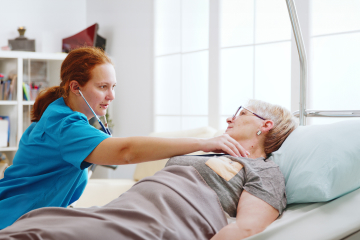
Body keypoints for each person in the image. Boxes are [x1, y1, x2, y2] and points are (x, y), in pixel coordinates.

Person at [0, 47, 247, 230]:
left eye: (113, 86)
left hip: (31, 218)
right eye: (103, 87)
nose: (112, 96)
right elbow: (126, 151)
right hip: (12, 219)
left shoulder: (61, 112)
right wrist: (205, 143)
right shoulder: (65, 125)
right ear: (76, 87)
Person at [0, 99, 298, 240]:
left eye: (241, 113)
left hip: (161, 223)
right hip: (127, 208)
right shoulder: (208, 149)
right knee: (36, 223)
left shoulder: (264, 171)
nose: (230, 118)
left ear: (265, 125)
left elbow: (246, 228)